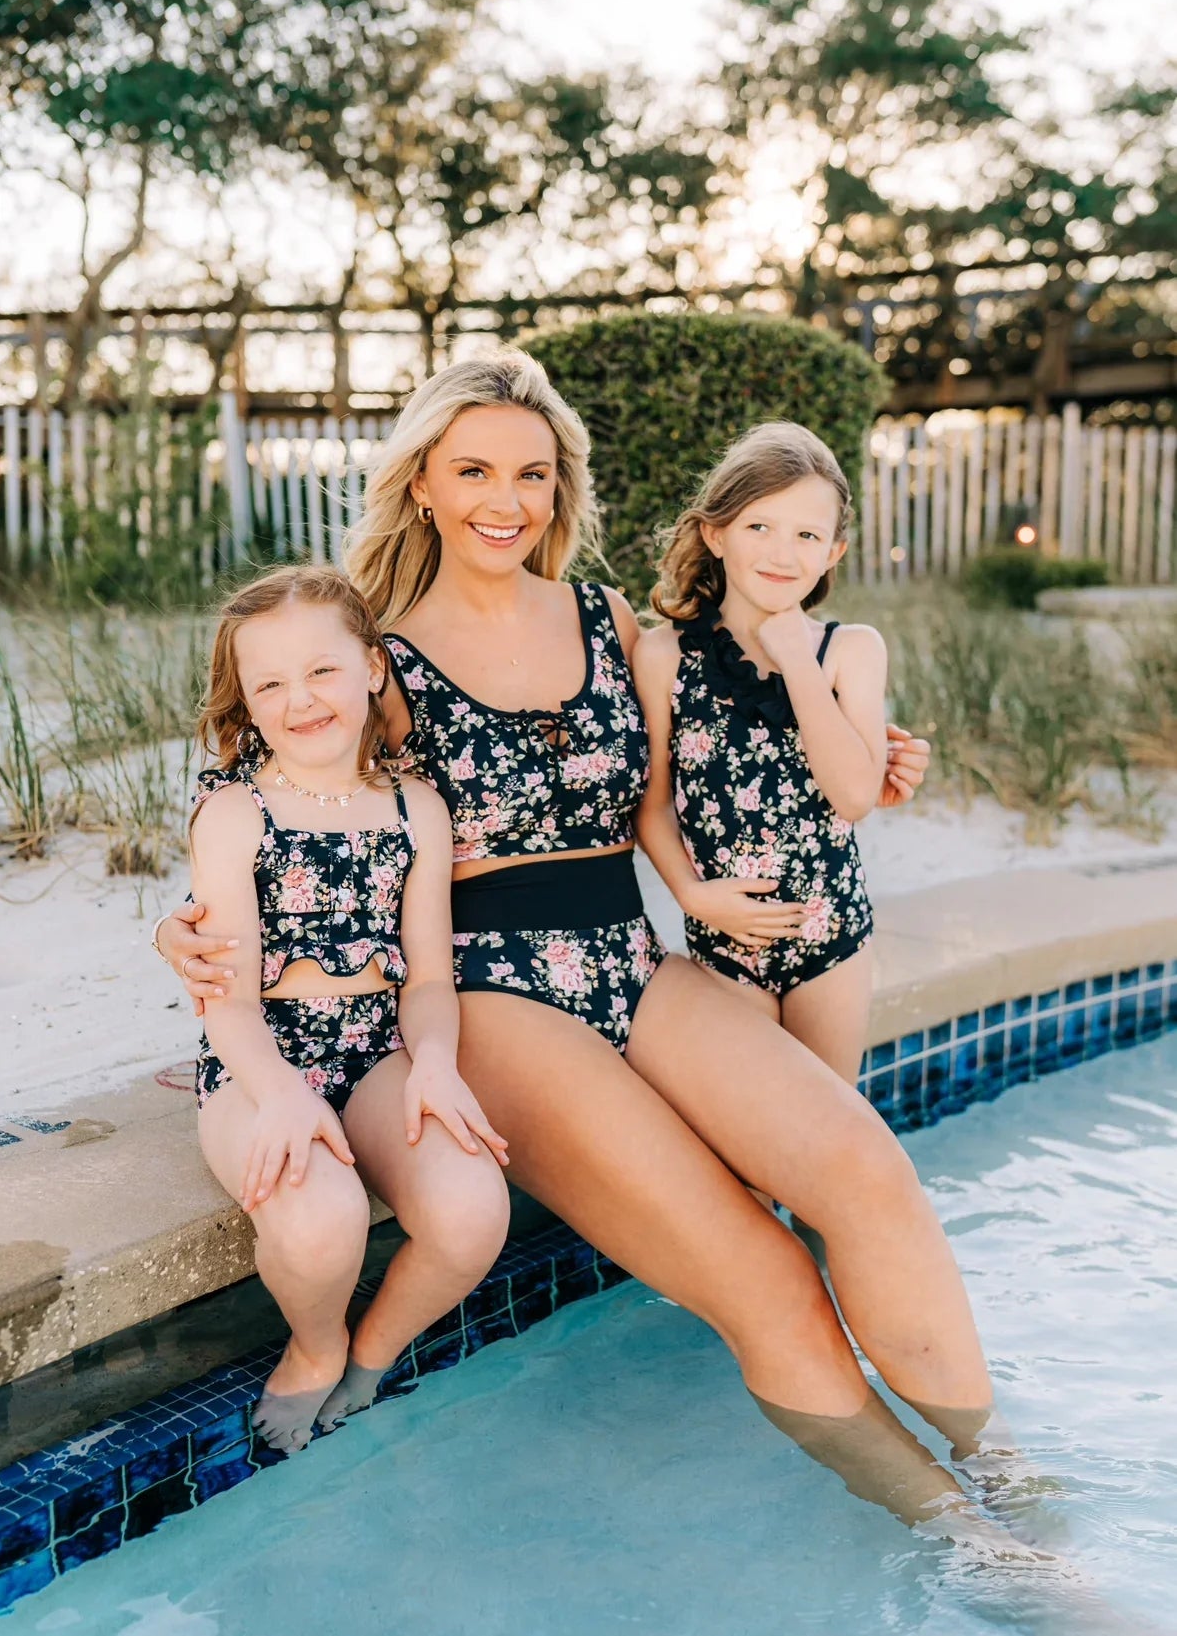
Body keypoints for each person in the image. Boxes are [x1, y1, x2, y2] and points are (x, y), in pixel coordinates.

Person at [159, 353, 1014, 1534]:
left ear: (561, 486)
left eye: (532, 473)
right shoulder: (381, 655)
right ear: (422, 484)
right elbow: (277, 803)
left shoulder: (610, 619)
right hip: (493, 992)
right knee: (764, 1273)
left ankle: (1006, 1473)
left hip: (634, 956)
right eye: (472, 471)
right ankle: (968, 1545)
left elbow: (728, 725)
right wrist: (181, 926)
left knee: (869, 1171)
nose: (505, 499)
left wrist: (877, 750)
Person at [186, 565, 510, 1452]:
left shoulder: (415, 808)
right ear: (246, 702)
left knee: (472, 1211)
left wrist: (433, 1062)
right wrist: (281, 1093)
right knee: (320, 1222)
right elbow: (227, 998)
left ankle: (374, 1349)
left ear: (371, 668)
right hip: (260, 1055)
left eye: (321, 670)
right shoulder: (236, 813)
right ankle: (317, 1345)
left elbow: (429, 978)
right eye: (269, 684)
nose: (299, 699)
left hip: (377, 1048)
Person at [635, 421, 881, 1093]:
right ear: (716, 534)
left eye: (806, 535)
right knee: (748, 1131)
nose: (781, 553)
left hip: (829, 933)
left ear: (833, 552)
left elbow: (855, 795)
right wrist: (691, 895)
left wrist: (795, 657)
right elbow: (652, 805)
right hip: (725, 935)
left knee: (827, 1128)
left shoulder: (850, 651)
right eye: (759, 527)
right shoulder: (663, 656)